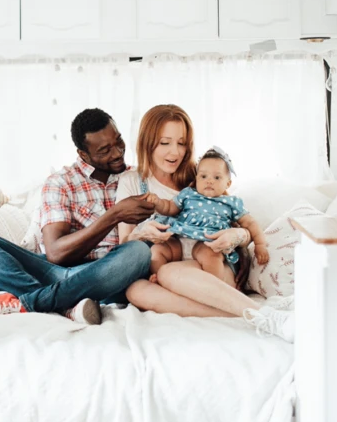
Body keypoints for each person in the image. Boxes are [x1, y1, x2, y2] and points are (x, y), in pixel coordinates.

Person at [0, 108, 156, 325]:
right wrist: (114, 215)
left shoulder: (137, 178)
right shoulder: (61, 182)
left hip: (110, 277)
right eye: (104, 150)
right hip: (58, 271)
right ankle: (64, 303)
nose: (117, 153)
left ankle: (37, 301)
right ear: (83, 154)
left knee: (138, 253)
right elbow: (56, 253)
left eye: (118, 141)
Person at [118, 105, 293, 341]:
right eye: (164, 142)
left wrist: (237, 236)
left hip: (211, 263)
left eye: (181, 143)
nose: (175, 152)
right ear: (148, 142)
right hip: (170, 266)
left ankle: (260, 313)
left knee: (169, 273)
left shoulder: (202, 175)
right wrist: (142, 233)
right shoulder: (133, 182)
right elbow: (124, 244)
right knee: (135, 291)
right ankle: (248, 314)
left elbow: (240, 220)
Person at [146, 147, 269, 279]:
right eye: (203, 176)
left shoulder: (230, 203)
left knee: (212, 257)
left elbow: (250, 222)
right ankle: (158, 277)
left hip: (207, 244)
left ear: (228, 184)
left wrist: (260, 244)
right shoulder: (188, 194)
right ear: (197, 178)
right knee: (157, 251)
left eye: (217, 177)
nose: (209, 181)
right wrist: (158, 202)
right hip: (180, 239)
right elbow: (170, 208)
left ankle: (213, 286)